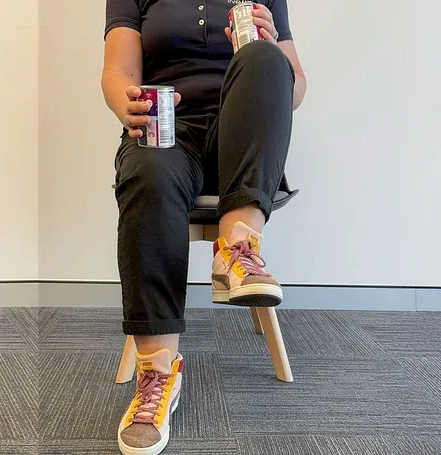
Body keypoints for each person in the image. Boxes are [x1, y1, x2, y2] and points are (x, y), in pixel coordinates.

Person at [101, 1, 306, 454]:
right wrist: (127, 103)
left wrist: (272, 51)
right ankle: (156, 372)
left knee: (266, 58)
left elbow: (296, 87)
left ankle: (236, 248)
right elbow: (116, 70)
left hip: (247, 136)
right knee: (148, 173)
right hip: (168, 127)